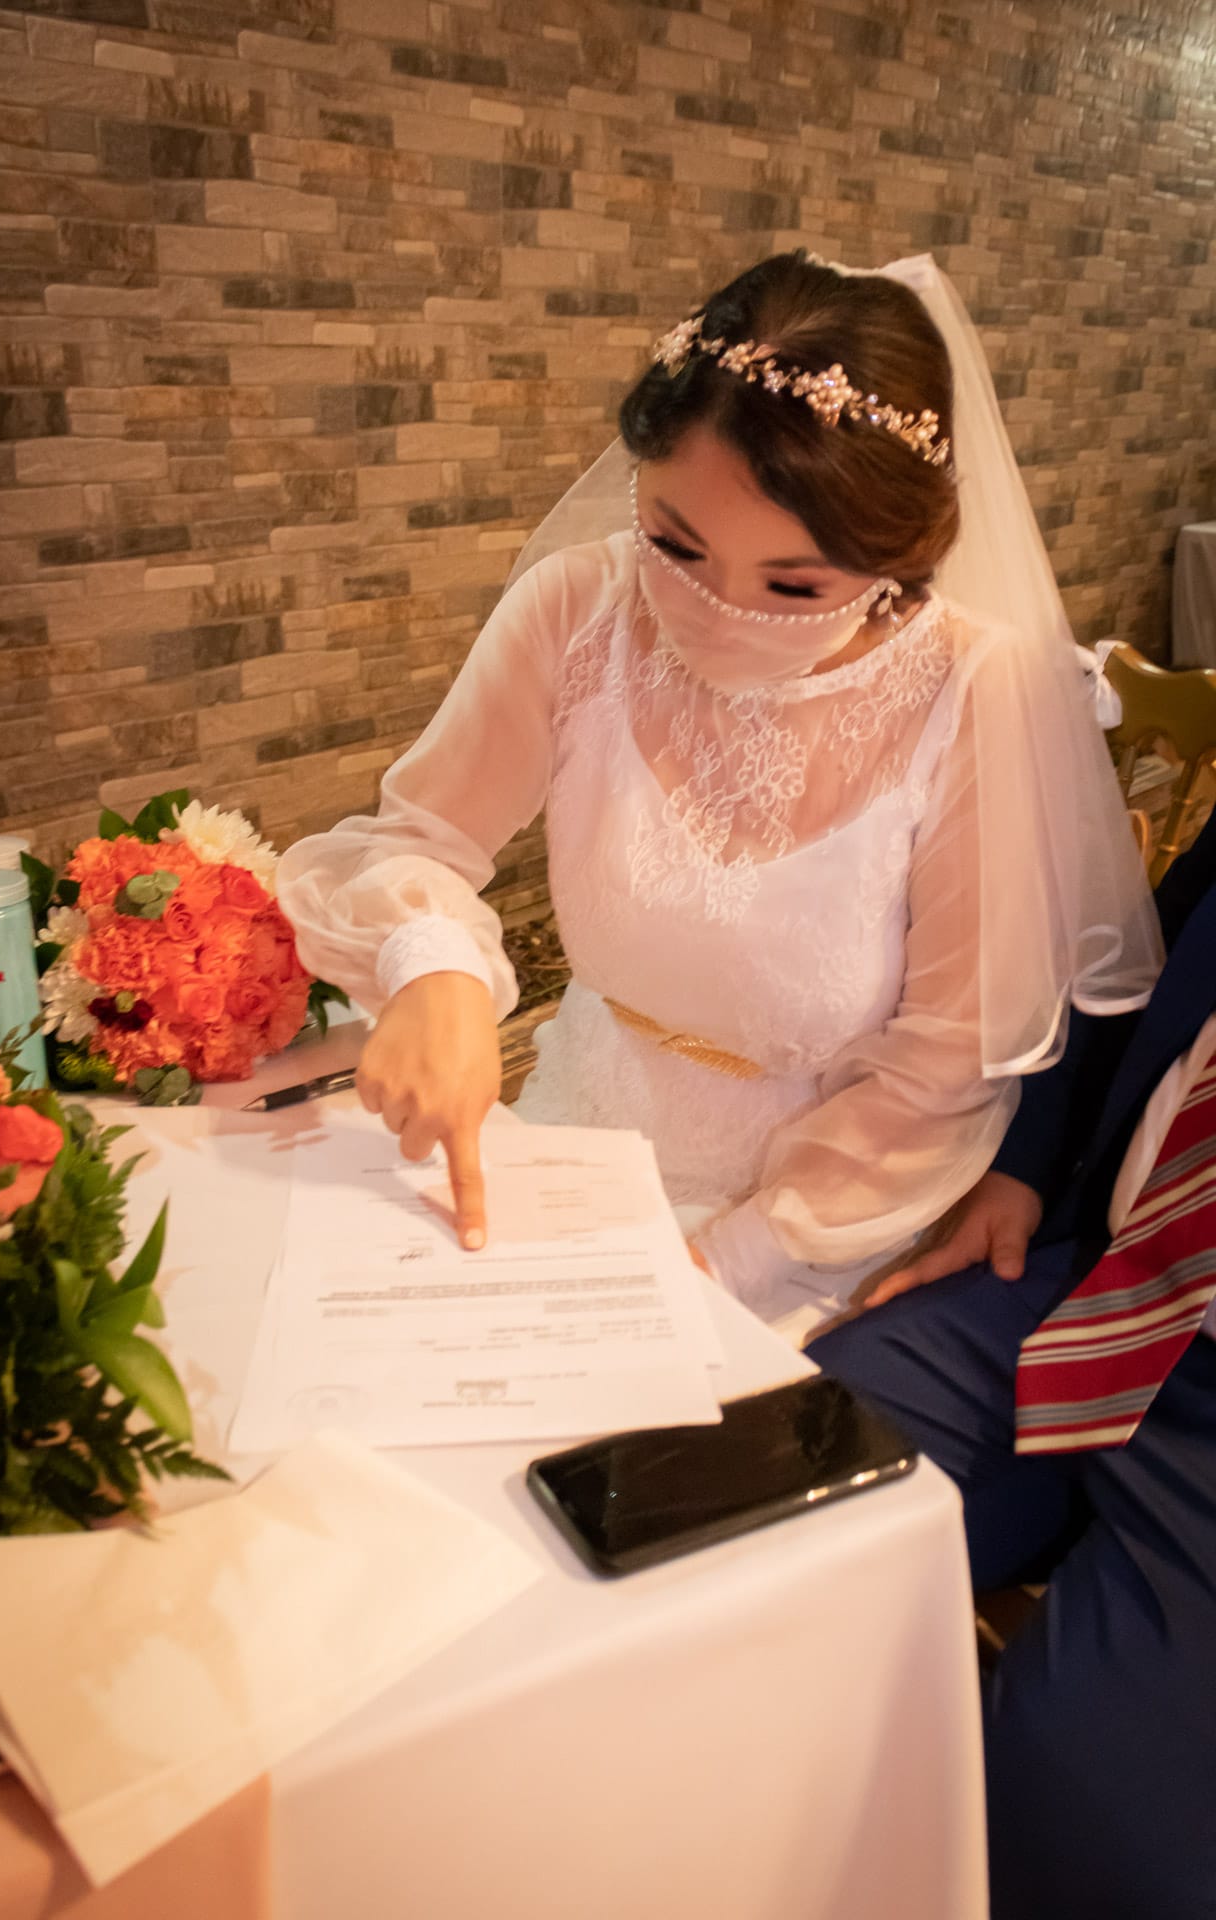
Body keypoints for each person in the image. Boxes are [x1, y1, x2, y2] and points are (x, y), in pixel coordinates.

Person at [277, 250, 1160, 1336]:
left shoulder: (973, 692)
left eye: (792, 585)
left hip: (830, 1217)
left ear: (899, 556)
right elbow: (414, 838)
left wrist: (724, 1260)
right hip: (575, 1142)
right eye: (673, 546)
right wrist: (432, 965)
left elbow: (940, 1068)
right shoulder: (577, 610)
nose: (713, 616)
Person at [810, 808, 1216, 1920]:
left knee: (1098, 1836)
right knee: (751, 1494)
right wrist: (1025, 1166)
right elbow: (1148, 952)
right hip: (1100, 1280)